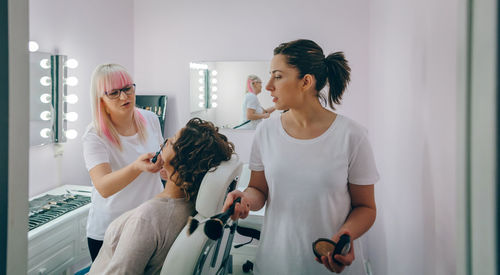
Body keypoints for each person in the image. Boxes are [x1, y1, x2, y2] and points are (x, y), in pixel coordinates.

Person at [223, 39, 379, 274]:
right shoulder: (266, 132)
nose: (268, 86)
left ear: (306, 81)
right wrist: (244, 198)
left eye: (277, 76)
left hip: (329, 265)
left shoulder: (352, 136)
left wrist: (344, 236)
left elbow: (365, 207)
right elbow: (259, 190)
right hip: (275, 263)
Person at [88, 118, 234, 274]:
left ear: (180, 162)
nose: (166, 141)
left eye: (172, 142)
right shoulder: (193, 205)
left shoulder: (146, 219)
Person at [82, 64, 165, 262]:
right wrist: (136, 167)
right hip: (111, 231)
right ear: (100, 98)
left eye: (128, 89)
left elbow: (162, 165)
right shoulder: (94, 135)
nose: (124, 97)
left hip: (149, 223)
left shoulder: (150, 119)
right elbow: (103, 186)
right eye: (114, 92)